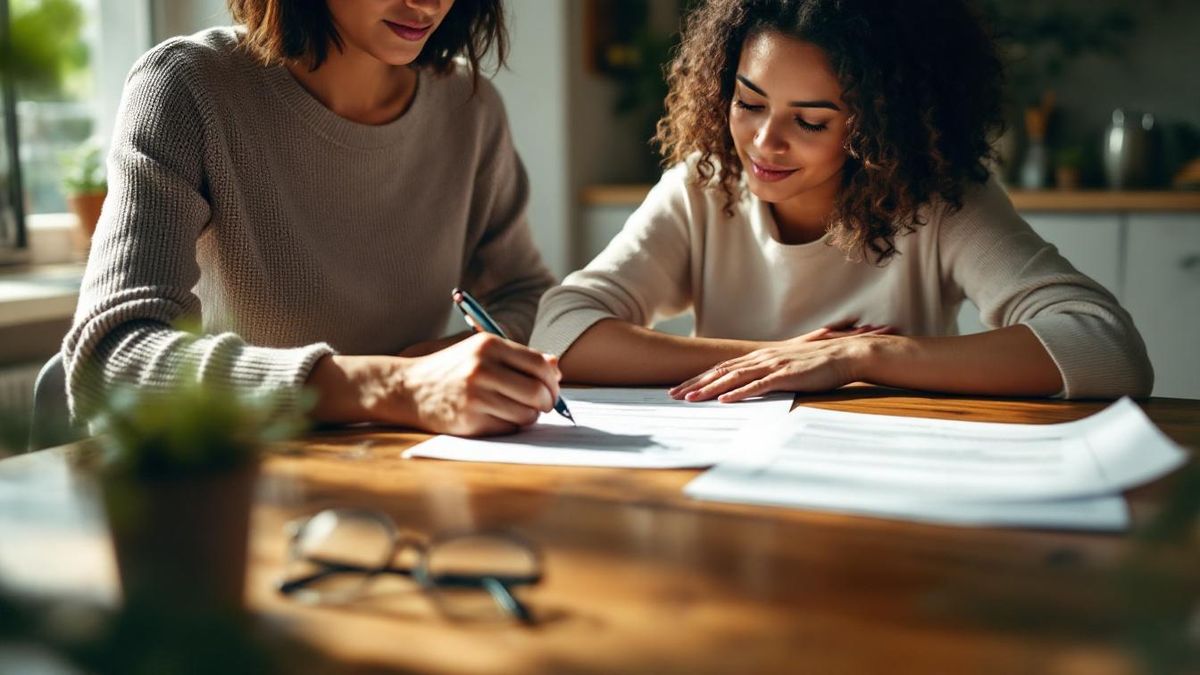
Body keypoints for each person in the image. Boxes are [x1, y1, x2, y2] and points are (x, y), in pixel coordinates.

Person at [531, 0, 1153, 402]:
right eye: (749, 104)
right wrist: (784, 359)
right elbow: (564, 331)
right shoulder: (704, 185)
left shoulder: (939, 203)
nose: (763, 142)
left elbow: (1104, 348)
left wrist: (861, 355)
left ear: (880, 128)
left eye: (810, 122)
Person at [63, 0, 562, 436]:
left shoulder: (468, 108)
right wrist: (391, 384)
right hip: (232, 488)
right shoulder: (187, 86)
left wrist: (442, 362)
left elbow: (529, 297)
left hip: (404, 467)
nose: (426, 2)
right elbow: (112, 359)